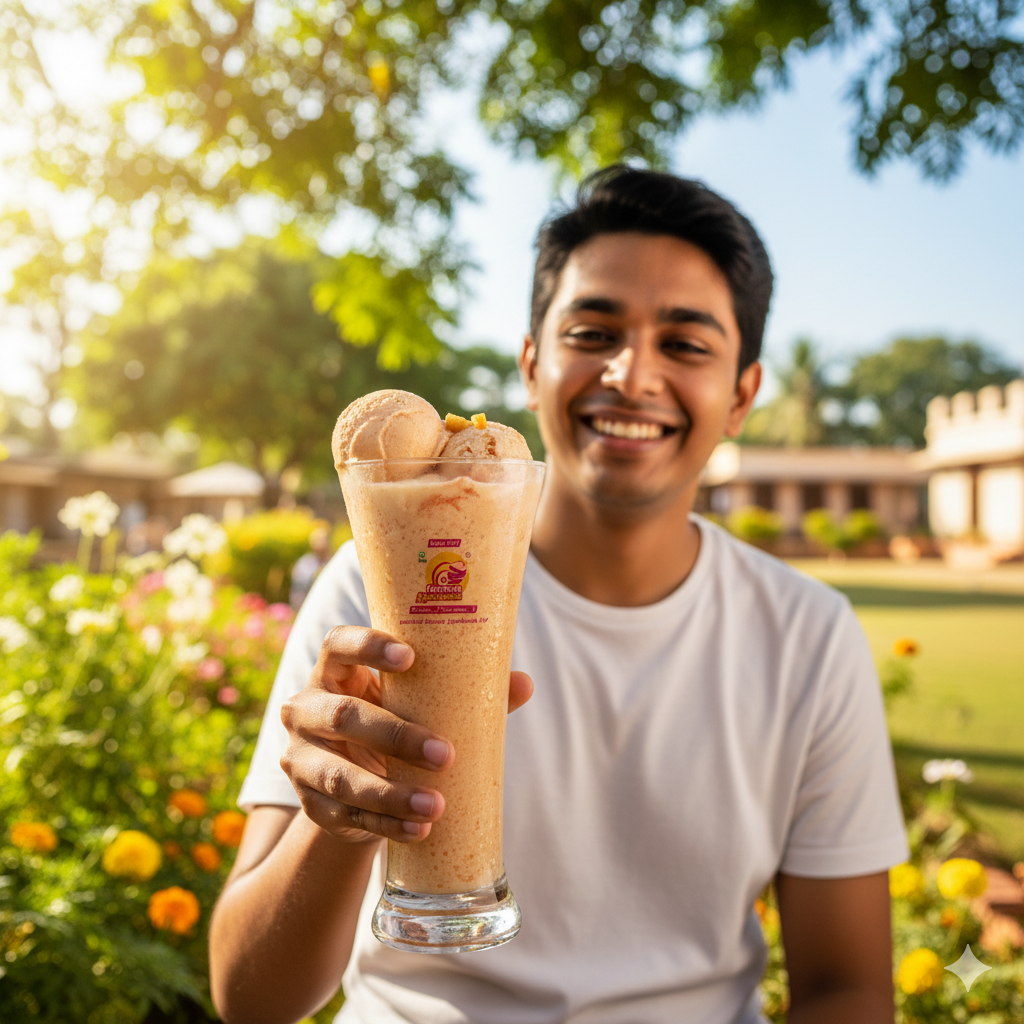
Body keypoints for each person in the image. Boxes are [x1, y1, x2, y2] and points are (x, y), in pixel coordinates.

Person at [209, 167, 908, 1024]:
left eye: (685, 344)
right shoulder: (377, 584)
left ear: (742, 395)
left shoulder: (807, 634)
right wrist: (338, 821)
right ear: (532, 364)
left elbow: (848, 989)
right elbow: (247, 998)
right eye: (592, 330)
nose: (630, 373)